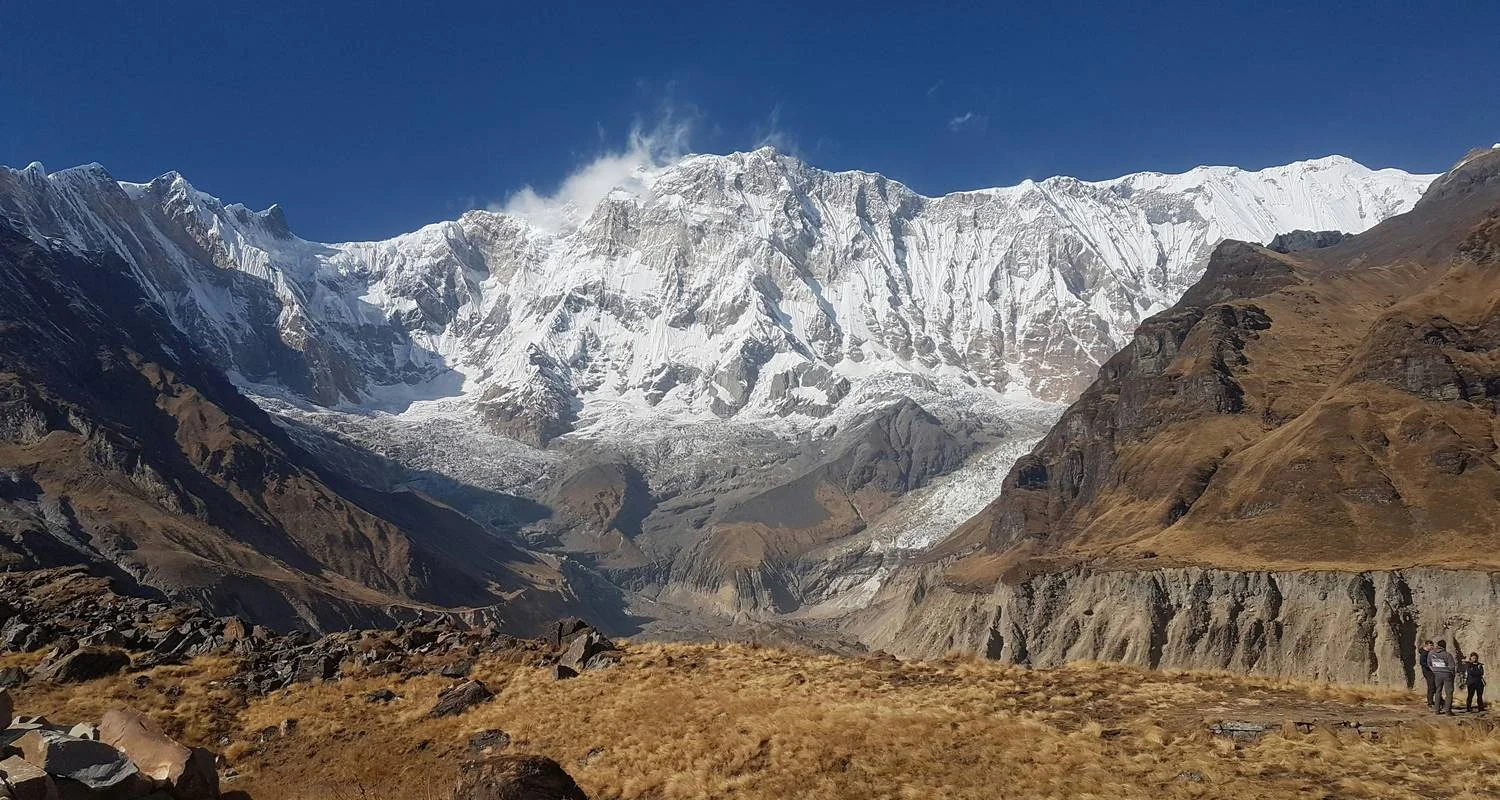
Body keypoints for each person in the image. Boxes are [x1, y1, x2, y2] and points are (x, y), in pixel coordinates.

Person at [1429, 640, 1458, 715]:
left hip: (1436, 674)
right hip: (1447, 674)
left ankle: (1436, 710)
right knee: (1449, 692)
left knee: (1438, 691)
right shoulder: (1447, 655)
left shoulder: (1431, 653)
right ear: (1444, 646)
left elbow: (1429, 663)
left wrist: (1434, 670)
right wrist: (1452, 675)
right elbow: (1452, 666)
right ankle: (1447, 711)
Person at [1420, 640, 1436, 707]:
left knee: (1435, 685)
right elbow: (1422, 663)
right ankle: (1430, 702)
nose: (1432, 647)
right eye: (1431, 645)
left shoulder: (1429, 652)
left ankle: (1439, 700)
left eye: (1432, 645)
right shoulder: (1424, 653)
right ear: (1426, 645)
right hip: (1427, 672)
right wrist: (1430, 667)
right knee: (1431, 686)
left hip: (1431, 671)